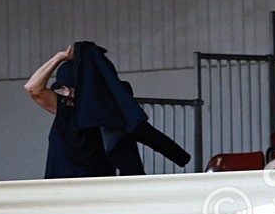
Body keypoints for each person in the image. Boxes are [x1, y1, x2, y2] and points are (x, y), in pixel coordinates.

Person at [24, 42, 190, 179]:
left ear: (67, 89)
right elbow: (156, 139)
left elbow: (32, 87)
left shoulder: (66, 109)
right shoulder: (117, 113)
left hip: (64, 193)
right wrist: (185, 159)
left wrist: (59, 57)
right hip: (100, 192)